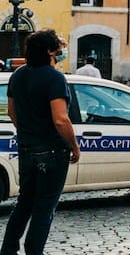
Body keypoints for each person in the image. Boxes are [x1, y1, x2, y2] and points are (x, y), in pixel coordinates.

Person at [0, 30, 80, 255]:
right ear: (49, 51)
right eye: (58, 48)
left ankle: (8, 249)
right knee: (44, 208)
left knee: (24, 203)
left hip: (26, 148)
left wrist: (28, 131)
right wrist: (74, 146)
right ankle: (34, 251)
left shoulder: (18, 75)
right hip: (52, 151)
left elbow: (13, 113)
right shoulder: (54, 78)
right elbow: (60, 119)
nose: (61, 51)